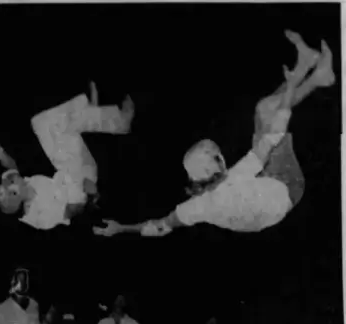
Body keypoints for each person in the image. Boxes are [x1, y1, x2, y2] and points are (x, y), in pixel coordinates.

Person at [94, 32, 335, 238]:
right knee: (269, 112)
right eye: (215, 155)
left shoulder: (196, 206)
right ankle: (318, 77)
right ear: (211, 170)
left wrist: (121, 228)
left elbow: (160, 227)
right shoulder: (236, 177)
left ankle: (306, 63)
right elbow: (277, 130)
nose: (221, 154)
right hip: (286, 186)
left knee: (263, 110)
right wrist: (291, 86)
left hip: (261, 201)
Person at [0, 82, 135, 230]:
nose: (14, 180)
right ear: (16, 198)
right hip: (79, 183)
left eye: (10, 181)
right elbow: (71, 211)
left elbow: (12, 167)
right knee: (64, 131)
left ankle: (91, 112)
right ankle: (117, 121)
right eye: (12, 187)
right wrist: (91, 195)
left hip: (66, 168)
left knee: (41, 123)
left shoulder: (26, 185)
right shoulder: (37, 216)